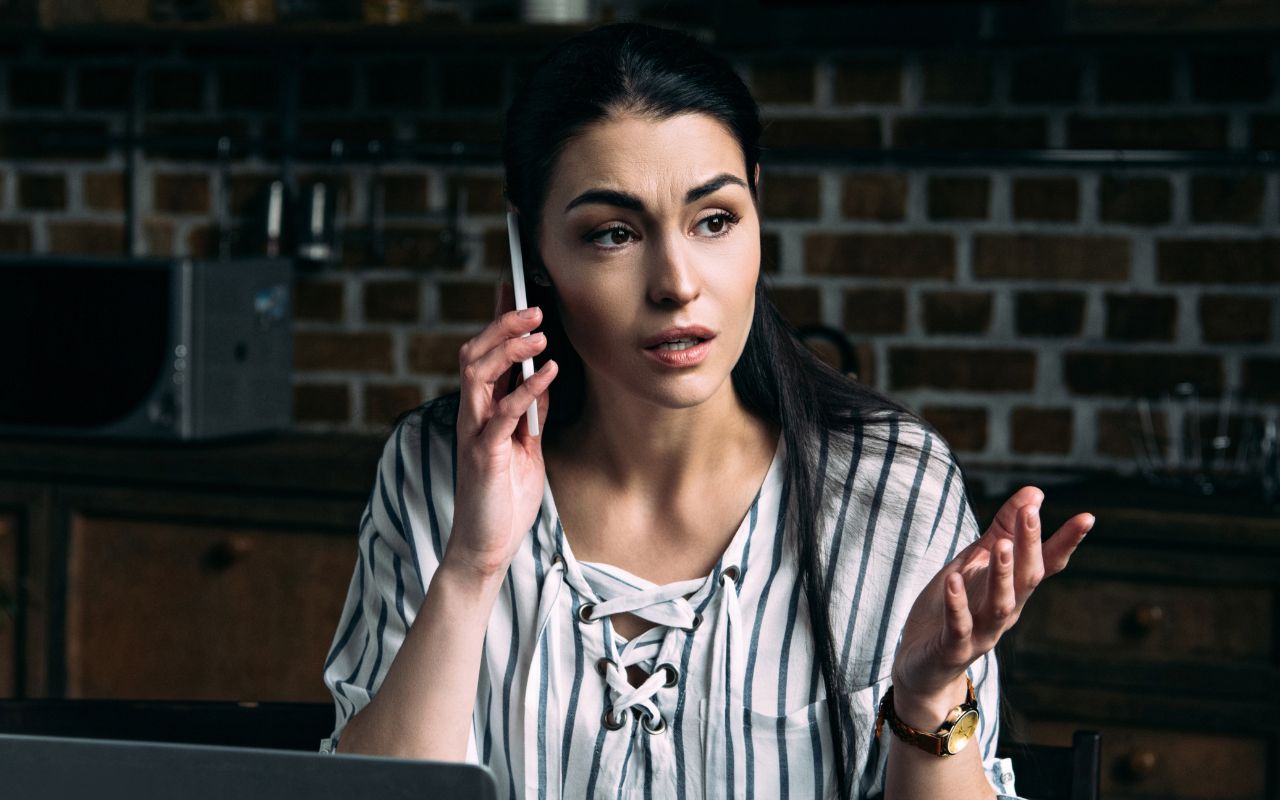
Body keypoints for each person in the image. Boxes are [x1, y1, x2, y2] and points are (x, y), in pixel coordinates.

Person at [319, 22, 1093, 800]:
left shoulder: (890, 486)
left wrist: (925, 700)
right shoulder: (435, 469)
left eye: (714, 220)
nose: (677, 282)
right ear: (534, 257)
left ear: (757, 210)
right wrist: (472, 563)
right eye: (613, 234)